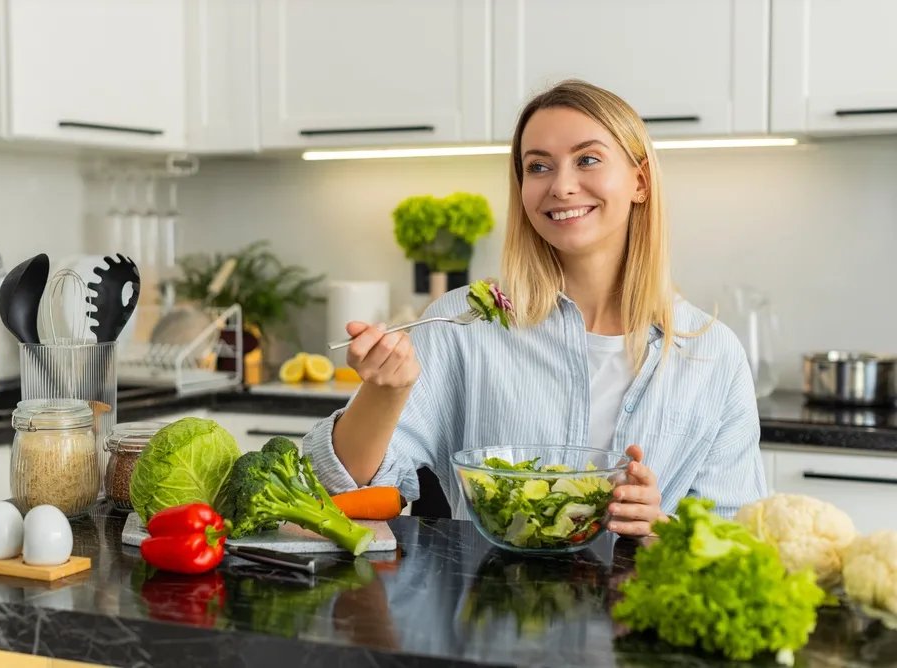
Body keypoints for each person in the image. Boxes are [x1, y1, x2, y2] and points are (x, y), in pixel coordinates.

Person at [303, 79, 766, 536]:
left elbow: (737, 536)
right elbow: (333, 487)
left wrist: (658, 528)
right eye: (539, 167)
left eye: (587, 160)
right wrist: (384, 392)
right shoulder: (463, 323)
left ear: (640, 182)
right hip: (493, 604)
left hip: (640, 607)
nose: (562, 186)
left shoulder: (712, 355)